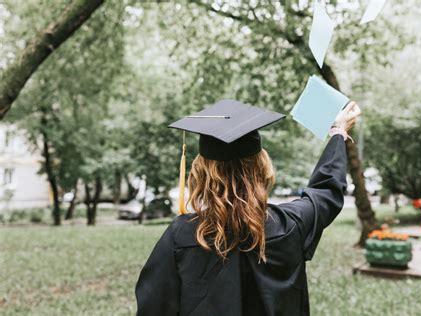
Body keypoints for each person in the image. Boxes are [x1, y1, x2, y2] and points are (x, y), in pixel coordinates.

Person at [135, 99, 361, 316]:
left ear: (202, 171)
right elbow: (326, 192)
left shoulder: (181, 236)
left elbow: (154, 307)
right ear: (262, 166)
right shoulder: (290, 225)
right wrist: (338, 132)